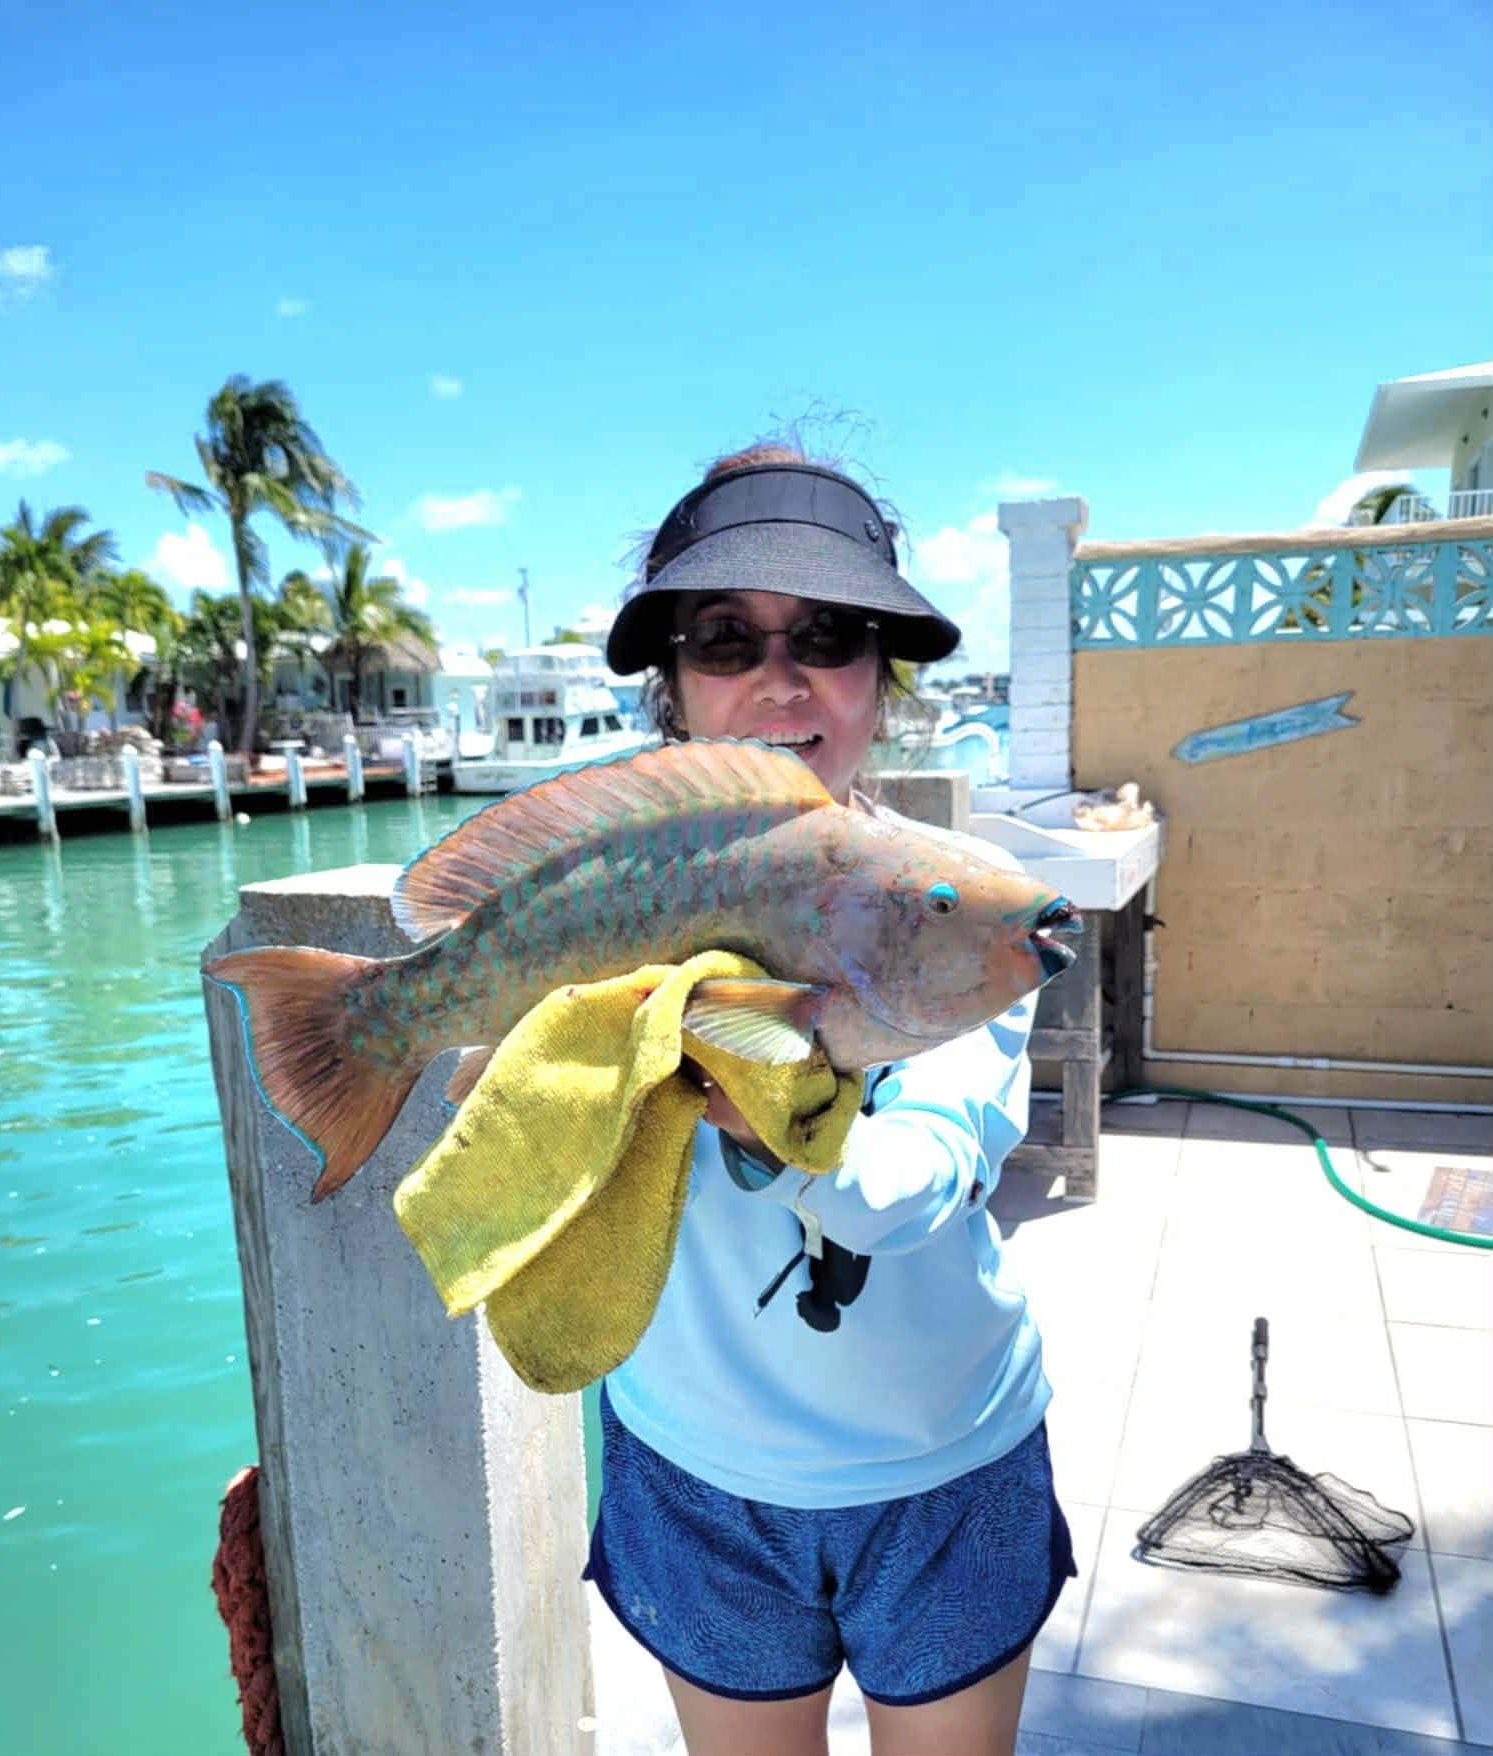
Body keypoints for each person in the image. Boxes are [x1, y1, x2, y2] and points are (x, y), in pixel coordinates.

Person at [589, 443, 1073, 1756]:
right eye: (724, 638)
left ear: (882, 677)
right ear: (674, 683)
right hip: (691, 1469)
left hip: (946, 1470)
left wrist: (768, 1110)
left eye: (830, 633)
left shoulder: (964, 901)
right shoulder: (595, 897)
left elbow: (923, 1172)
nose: (781, 678)